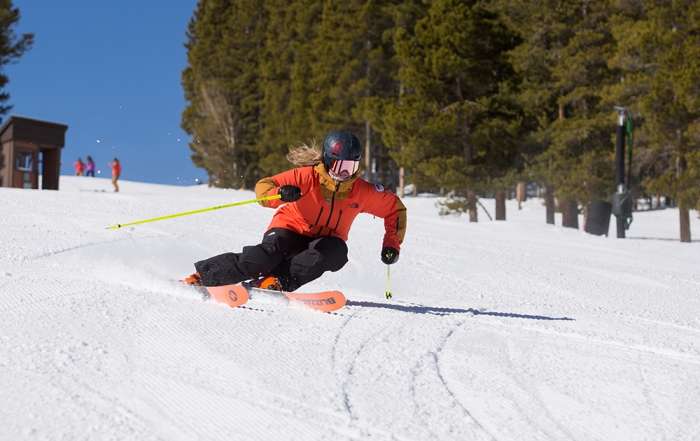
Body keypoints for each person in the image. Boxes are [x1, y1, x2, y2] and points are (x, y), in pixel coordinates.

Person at [181, 130, 407, 292]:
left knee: (337, 252)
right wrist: (281, 192)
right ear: (328, 162)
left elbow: (394, 208)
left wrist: (391, 244)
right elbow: (263, 188)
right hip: (289, 229)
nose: (344, 173)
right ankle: (203, 276)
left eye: (351, 167)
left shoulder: (362, 191)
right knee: (264, 257)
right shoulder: (307, 177)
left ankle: (275, 282)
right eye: (339, 166)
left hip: (324, 241)